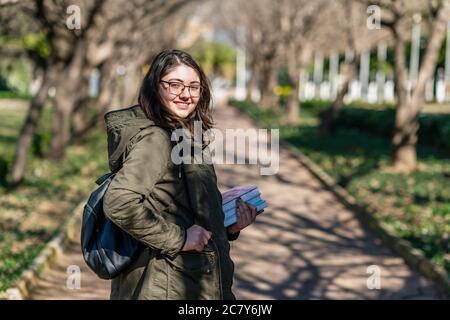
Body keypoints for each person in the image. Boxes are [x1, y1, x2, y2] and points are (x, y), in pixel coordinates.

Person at [102, 49, 257, 300]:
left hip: (191, 280)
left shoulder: (182, 134)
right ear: (155, 87)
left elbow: (175, 206)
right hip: (166, 284)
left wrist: (229, 226)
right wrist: (180, 238)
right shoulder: (156, 138)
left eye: (194, 87)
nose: (186, 94)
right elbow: (120, 202)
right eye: (175, 85)